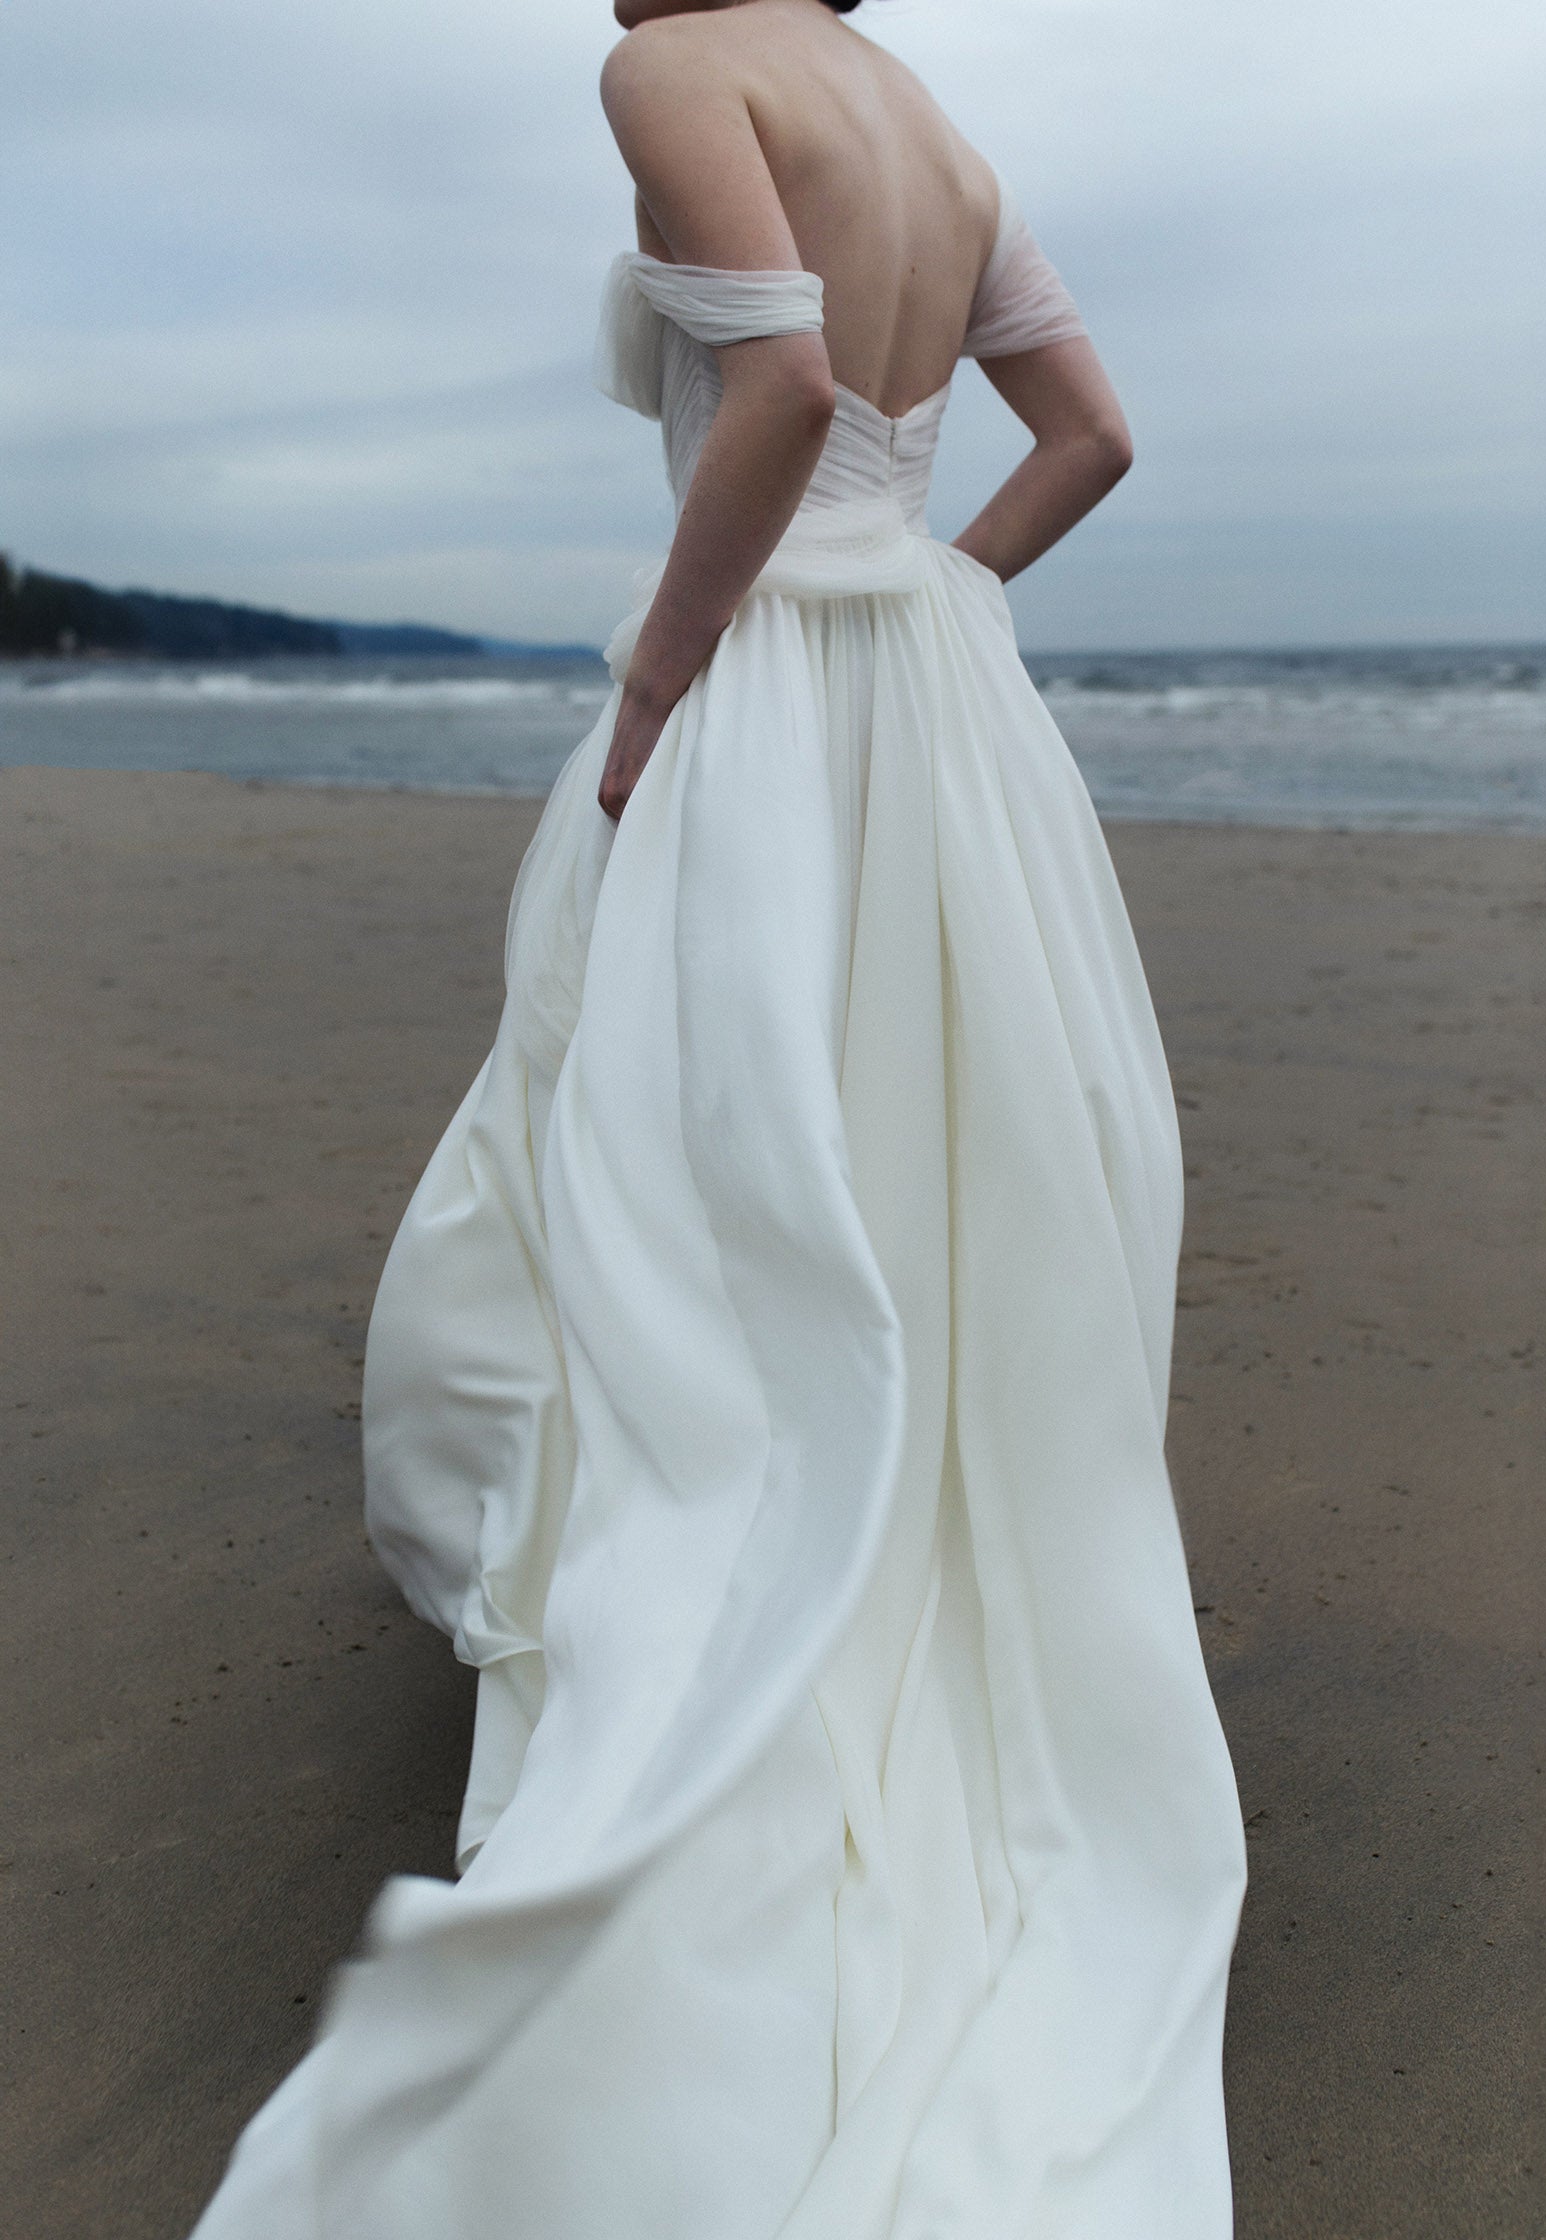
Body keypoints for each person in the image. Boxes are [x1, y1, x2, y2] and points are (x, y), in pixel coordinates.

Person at [187, 1, 1248, 2234]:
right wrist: (934, 600)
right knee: (899, 1151)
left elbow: (770, 386)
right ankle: (904, 1578)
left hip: (765, 678)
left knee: (681, 1157)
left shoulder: (674, 72)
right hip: (940, 707)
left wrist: (664, 669)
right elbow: (1091, 433)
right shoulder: (929, 125)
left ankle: (699, 1609)